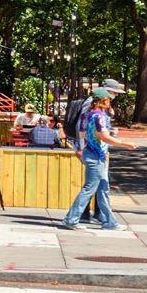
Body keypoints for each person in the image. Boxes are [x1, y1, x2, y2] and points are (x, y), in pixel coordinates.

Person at [61, 88, 130, 230]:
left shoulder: (88, 114)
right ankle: (71, 219)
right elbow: (103, 137)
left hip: (94, 154)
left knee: (103, 188)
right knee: (90, 188)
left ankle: (109, 221)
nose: (110, 101)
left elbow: (87, 132)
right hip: (96, 156)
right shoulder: (99, 116)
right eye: (108, 99)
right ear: (102, 101)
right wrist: (125, 144)